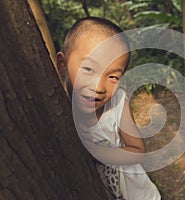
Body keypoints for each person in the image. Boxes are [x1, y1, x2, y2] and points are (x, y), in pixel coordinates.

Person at [56, 17, 161, 200]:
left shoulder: (117, 103)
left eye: (112, 77)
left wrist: (96, 152)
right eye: (89, 69)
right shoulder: (57, 108)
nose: (99, 87)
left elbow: (138, 151)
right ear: (62, 66)